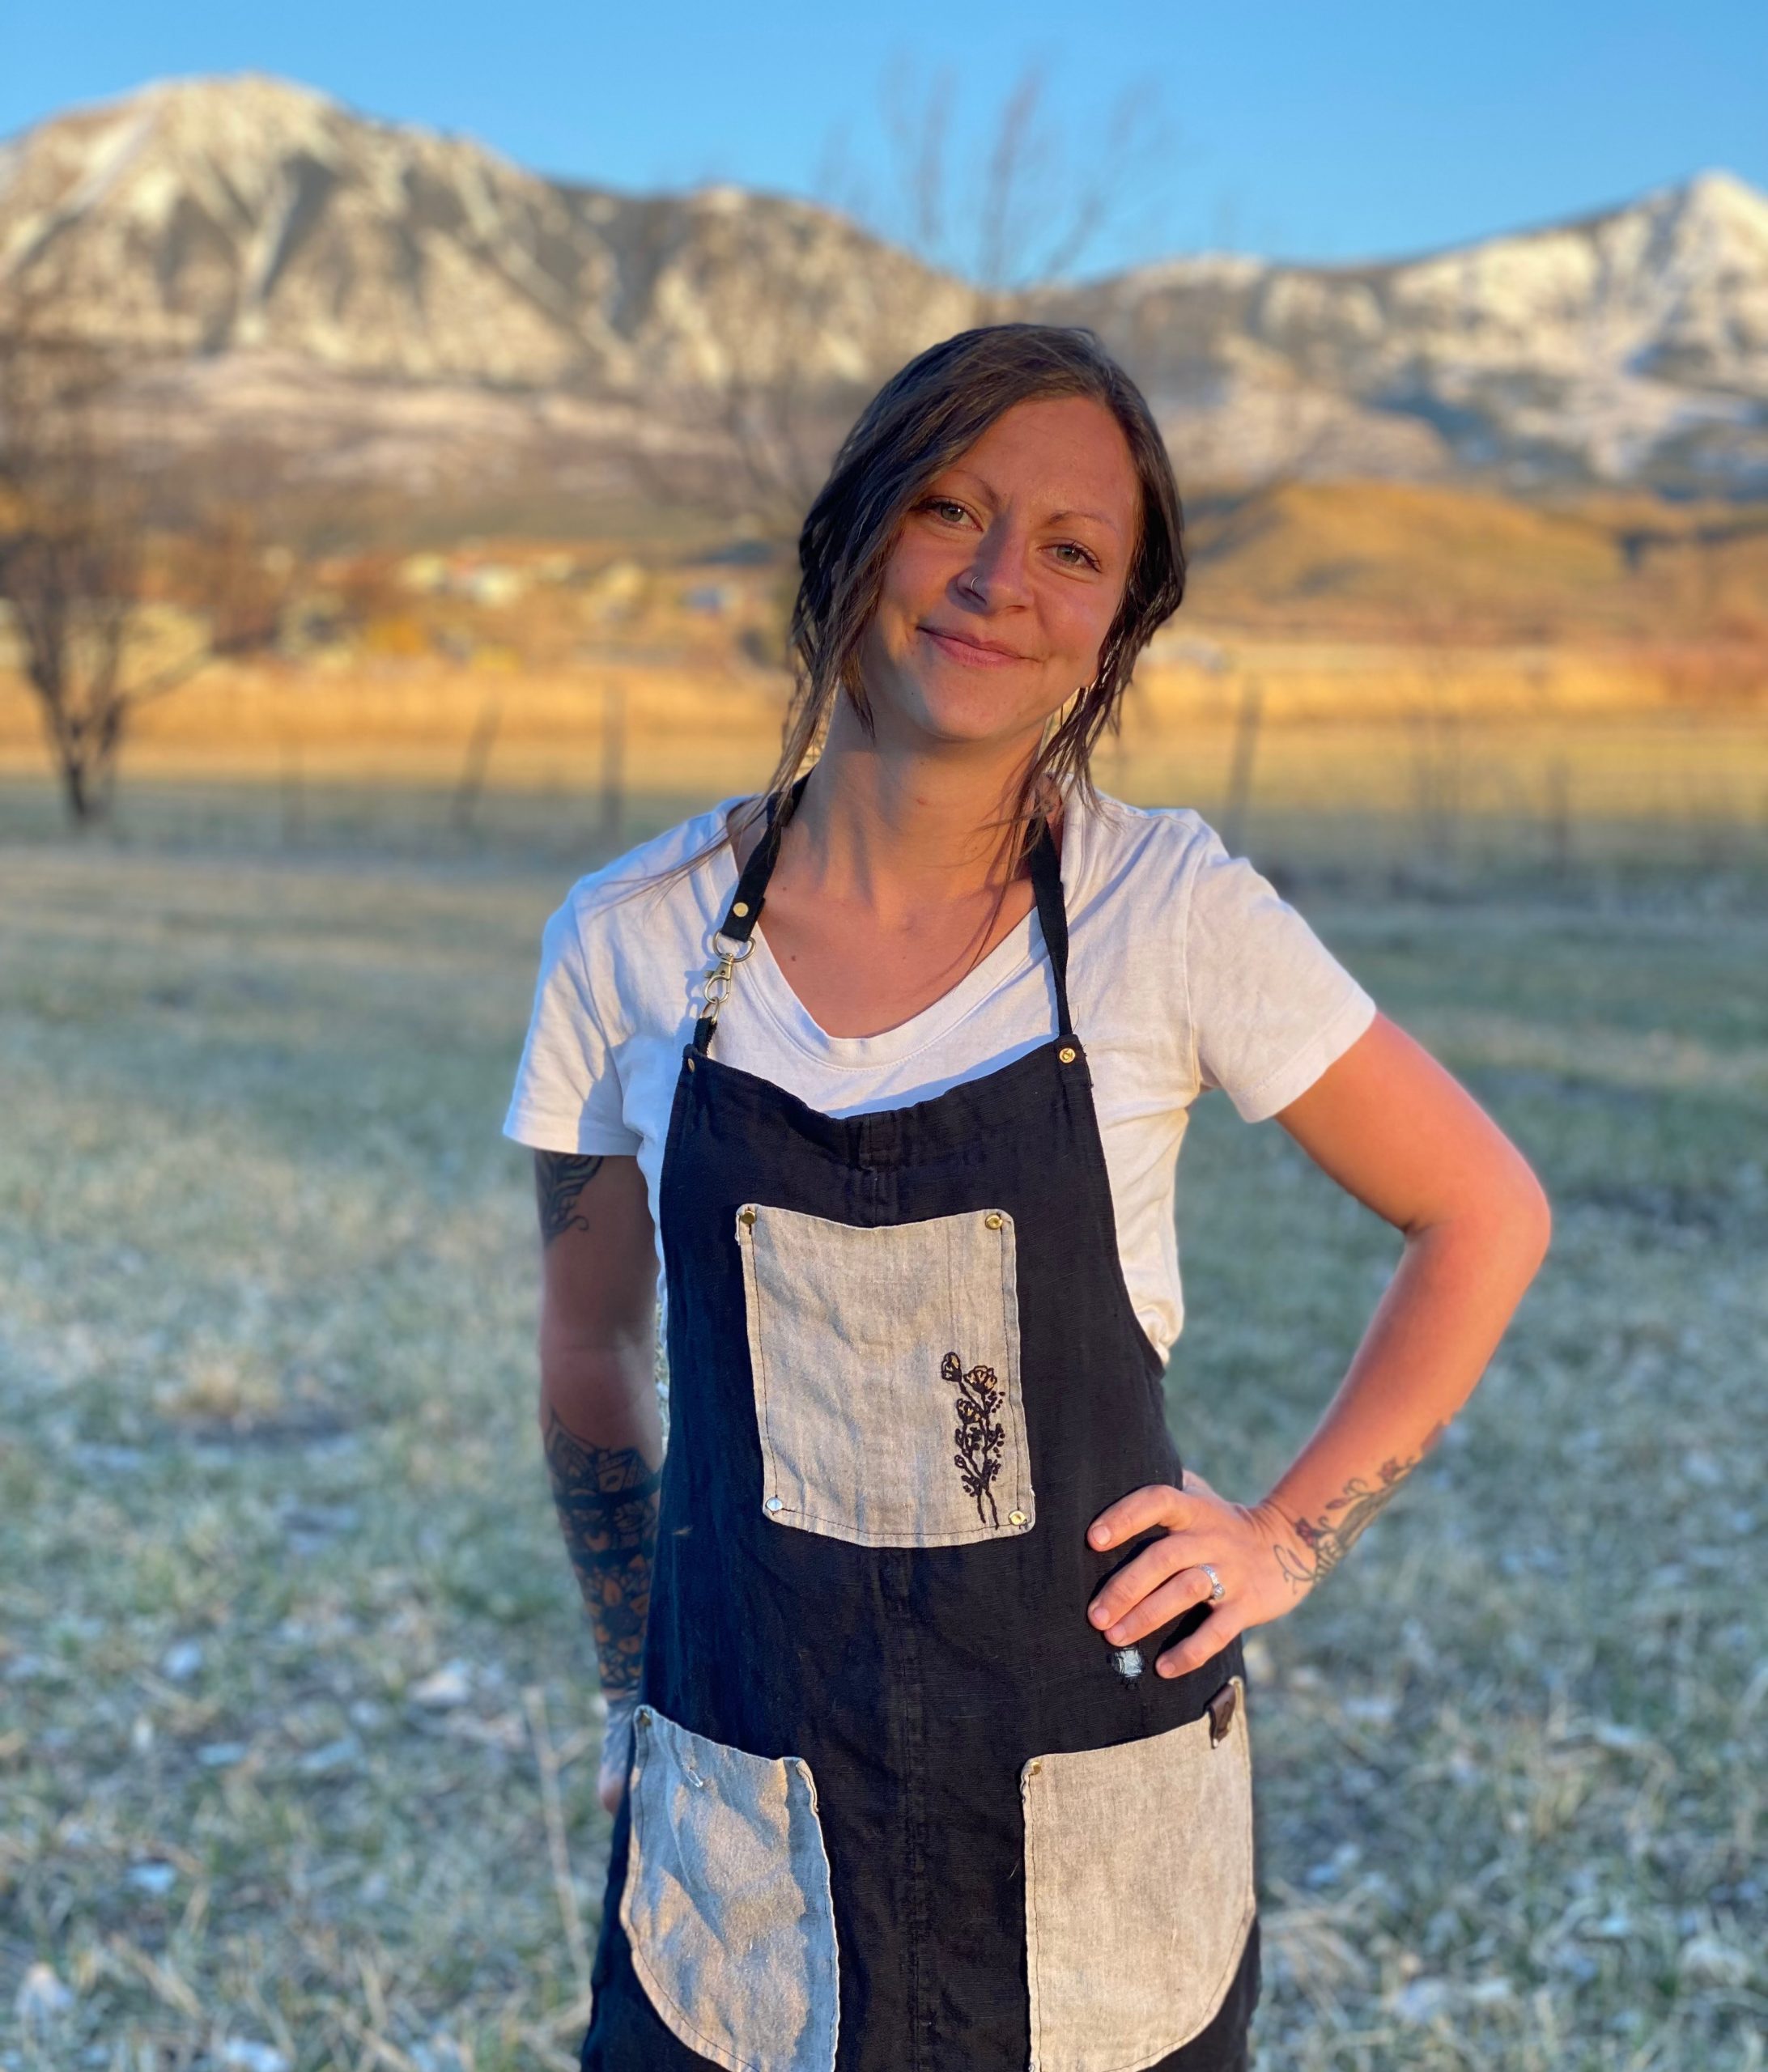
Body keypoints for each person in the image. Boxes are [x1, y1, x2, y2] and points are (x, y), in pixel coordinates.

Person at [502, 324, 1552, 2072]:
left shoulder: (1168, 911)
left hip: (1096, 1789)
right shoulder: (630, 937)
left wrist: (1288, 1538)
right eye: (949, 509)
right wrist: (635, 1678)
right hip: (746, 1768)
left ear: (1119, 618)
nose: (1001, 579)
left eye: (1074, 549)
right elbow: (588, 1346)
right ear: (853, 528)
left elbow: (1483, 1211)